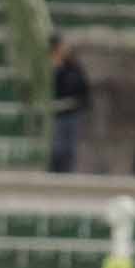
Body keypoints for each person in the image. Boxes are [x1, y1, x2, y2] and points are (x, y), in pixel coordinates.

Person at [49, 34, 92, 173]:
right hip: (56, 111)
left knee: (70, 149)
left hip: (72, 110)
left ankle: (67, 173)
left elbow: (81, 86)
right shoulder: (51, 65)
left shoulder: (73, 66)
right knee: (57, 148)